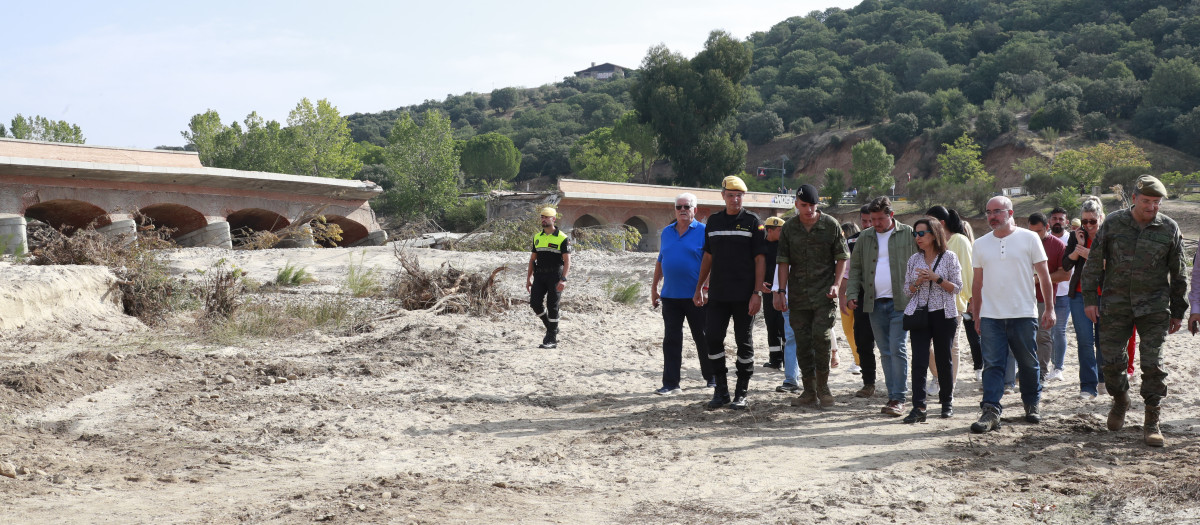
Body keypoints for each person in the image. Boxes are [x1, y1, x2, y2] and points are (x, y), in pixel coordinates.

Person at [1081, 175, 1188, 447]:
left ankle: (1152, 420)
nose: (1152, 207)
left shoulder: (1169, 229)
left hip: (1154, 306)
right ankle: (1120, 400)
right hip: (1116, 304)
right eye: (1146, 201)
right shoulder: (1114, 223)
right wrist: (1090, 298)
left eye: (1156, 202)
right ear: (1134, 199)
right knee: (1111, 362)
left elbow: (1179, 273)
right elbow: (1094, 261)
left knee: (1153, 363)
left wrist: (1178, 310)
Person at [969, 196, 1056, 434]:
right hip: (991, 316)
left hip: (1023, 313)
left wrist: (1049, 308)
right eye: (988, 212)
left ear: (1010, 212)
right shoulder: (980, 244)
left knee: (1028, 362)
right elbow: (977, 283)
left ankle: (1031, 403)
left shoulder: (1029, 238)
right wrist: (977, 314)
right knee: (993, 364)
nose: (992, 216)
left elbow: (1045, 277)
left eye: (997, 211)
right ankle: (991, 410)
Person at [773, 184, 850, 408]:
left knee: (822, 338)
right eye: (804, 205)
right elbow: (783, 261)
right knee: (803, 343)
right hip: (797, 296)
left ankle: (823, 388)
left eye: (812, 205)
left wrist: (836, 285)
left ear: (818, 205)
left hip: (824, 294)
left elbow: (842, 257)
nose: (808, 210)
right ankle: (808, 390)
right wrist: (781, 291)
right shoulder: (789, 228)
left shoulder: (830, 225)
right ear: (796, 204)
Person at [694, 175, 766, 410]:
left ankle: (741, 393)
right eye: (731, 195)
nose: (736, 199)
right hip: (718, 294)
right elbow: (708, 257)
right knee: (712, 338)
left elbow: (760, 260)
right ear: (723, 195)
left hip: (745, 295)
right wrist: (699, 288)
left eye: (740, 195)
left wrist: (757, 293)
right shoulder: (713, 222)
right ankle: (721, 390)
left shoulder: (753, 221)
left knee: (743, 342)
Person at [845, 197, 918, 416]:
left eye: (879, 219)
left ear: (891, 215)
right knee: (885, 352)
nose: (875, 223)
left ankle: (899, 397)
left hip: (902, 302)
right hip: (874, 303)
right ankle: (893, 395)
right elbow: (855, 267)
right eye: (872, 219)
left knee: (898, 348)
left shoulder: (908, 234)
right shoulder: (864, 238)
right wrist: (850, 293)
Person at [902, 218, 963, 422]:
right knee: (918, 361)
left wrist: (936, 278)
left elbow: (957, 288)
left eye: (922, 233)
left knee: (944, 360)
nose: (918, 238)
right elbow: (907, 291)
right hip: (920, 313)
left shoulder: (949, 257)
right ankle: (919, 407)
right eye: (915, 234)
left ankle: (947, 402)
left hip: (944, 313)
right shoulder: (913, 259)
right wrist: (918, 282)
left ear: (935, 233)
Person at [650, 193, 711, 394]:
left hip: (696, 297)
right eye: (679, 207)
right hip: (670, 296)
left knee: (703, 338)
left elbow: (711, 263)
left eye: (687, 206)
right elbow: (661, 260)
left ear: (695, 210)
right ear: (675, 210)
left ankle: (711, 378)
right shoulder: (667, 232)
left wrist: (704, 289)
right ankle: (670, 383)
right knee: (671, 340)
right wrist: (654, 287)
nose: (683, 210)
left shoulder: (704, 231)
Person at [924, 206, 975, 396]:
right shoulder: (931, 243)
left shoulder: (959, 241)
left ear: (941, 223)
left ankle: (948, 387)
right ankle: (938, 375)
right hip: (928, 302)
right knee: (926, 345)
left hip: (953, 302)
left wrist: (969, 299)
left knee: (951, 346)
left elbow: (968, 273)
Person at [1062, 197, 1105, 399]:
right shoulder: (1075, 236)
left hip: (1105, 295)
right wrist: (1078, 249)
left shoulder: (1109, 236)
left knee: (1103, 340)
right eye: (1085, 221)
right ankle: (1088, 386)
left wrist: (1090, 255)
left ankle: (1104, 379)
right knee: (1085, 342)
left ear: (1100, 218)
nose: (1088, 226)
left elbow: (1115, 264)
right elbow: (1066, 264)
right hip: (1079, 295)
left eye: (1092, 221)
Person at [1027, 213, 1067, 382]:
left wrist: (1040, 278)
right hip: (1024, 296)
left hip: (1044, 298)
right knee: (1025, 335)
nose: (1035, 235)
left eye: (1038, 231)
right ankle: (1027, 369)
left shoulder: (1058, 245)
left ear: (1047, 227)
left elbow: (1065, 274)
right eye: (1031, 231)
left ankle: (1042, 372)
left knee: (1043, 336)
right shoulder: (1024, 242)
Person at [525, 207, 571, 349]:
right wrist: (528, 278)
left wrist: (563, 279)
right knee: (534, 303)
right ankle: (551, 327)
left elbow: (567, 261)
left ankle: (551, 338)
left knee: (552, 306)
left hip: (555, 275)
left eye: (547, 217)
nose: (543, 219)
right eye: (542, 217)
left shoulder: (563, 238)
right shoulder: (537, 237)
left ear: (553, 219)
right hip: (539, 275)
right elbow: (533, 259)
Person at [1045, 207, 1073, 382]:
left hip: (1064, 293)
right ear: (1049, 221)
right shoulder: (1042, 239)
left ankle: (1058, 367)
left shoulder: (1071, 240)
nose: (1057, 221)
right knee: (1042, 332)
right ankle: (1041, 365)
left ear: (1066, 222)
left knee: (1059, 331)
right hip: (1041, 293)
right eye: (1054, 218)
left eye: (1061, 219)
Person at [761, 216, 787, 370]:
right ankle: (775, 360)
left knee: (783, 325)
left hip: (783, 291)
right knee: (771, 324)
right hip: (767, 291)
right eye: (779, 230)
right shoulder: (761, 246)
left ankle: (785, 358)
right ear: (769, 230)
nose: (782, 233)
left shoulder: (784, 246)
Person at [839, 221, 863, 375]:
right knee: (849, 330)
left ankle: (858, 361)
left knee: (854, 330)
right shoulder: (844, 248)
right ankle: (857, 359)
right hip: (846, 292)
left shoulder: (854, 246)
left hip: (854, 292)